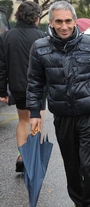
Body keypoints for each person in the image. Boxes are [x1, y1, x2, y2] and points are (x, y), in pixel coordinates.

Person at [26, 1, 90, 207]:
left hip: (88, 115)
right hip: (62, 116)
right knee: (71, 165)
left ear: (75, 21)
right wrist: (35, 113)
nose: (64, 26)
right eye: (59, 21)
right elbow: (35, 83)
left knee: (88, 165)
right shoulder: (39, 48)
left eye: (68, 21)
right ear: (51, 22)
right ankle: (78, 205)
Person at [0, 1, 47, 173]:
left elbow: (1, 66)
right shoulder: (42, 37)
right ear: (35, 17)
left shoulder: (6, 37)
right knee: (37, 120)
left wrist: (2, 90)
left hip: (18, 87)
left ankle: (22, 155)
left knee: (23, 120)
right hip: (39, 89)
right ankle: (32, 155)